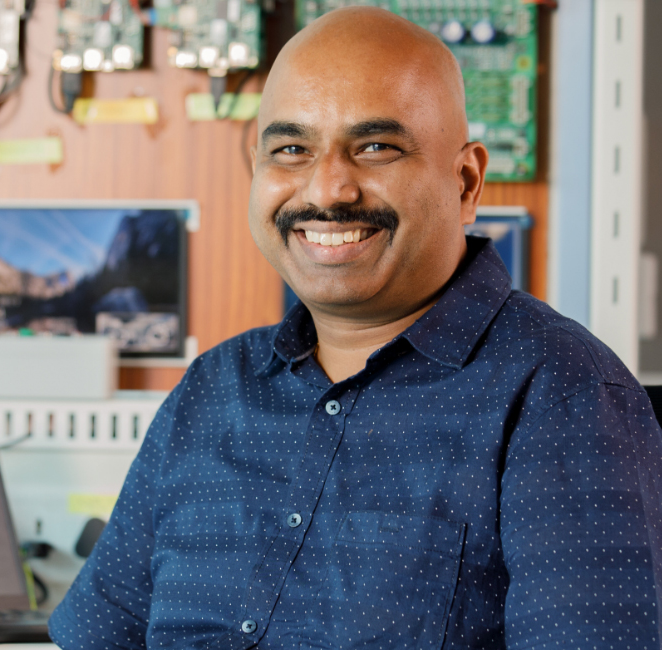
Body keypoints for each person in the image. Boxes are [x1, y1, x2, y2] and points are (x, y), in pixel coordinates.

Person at [49, 7, 662, 648]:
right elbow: (98, 635)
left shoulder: (563, 393)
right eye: (291, 149)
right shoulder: (213, 389)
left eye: (375, 147)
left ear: (466, 180)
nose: (329, 188)